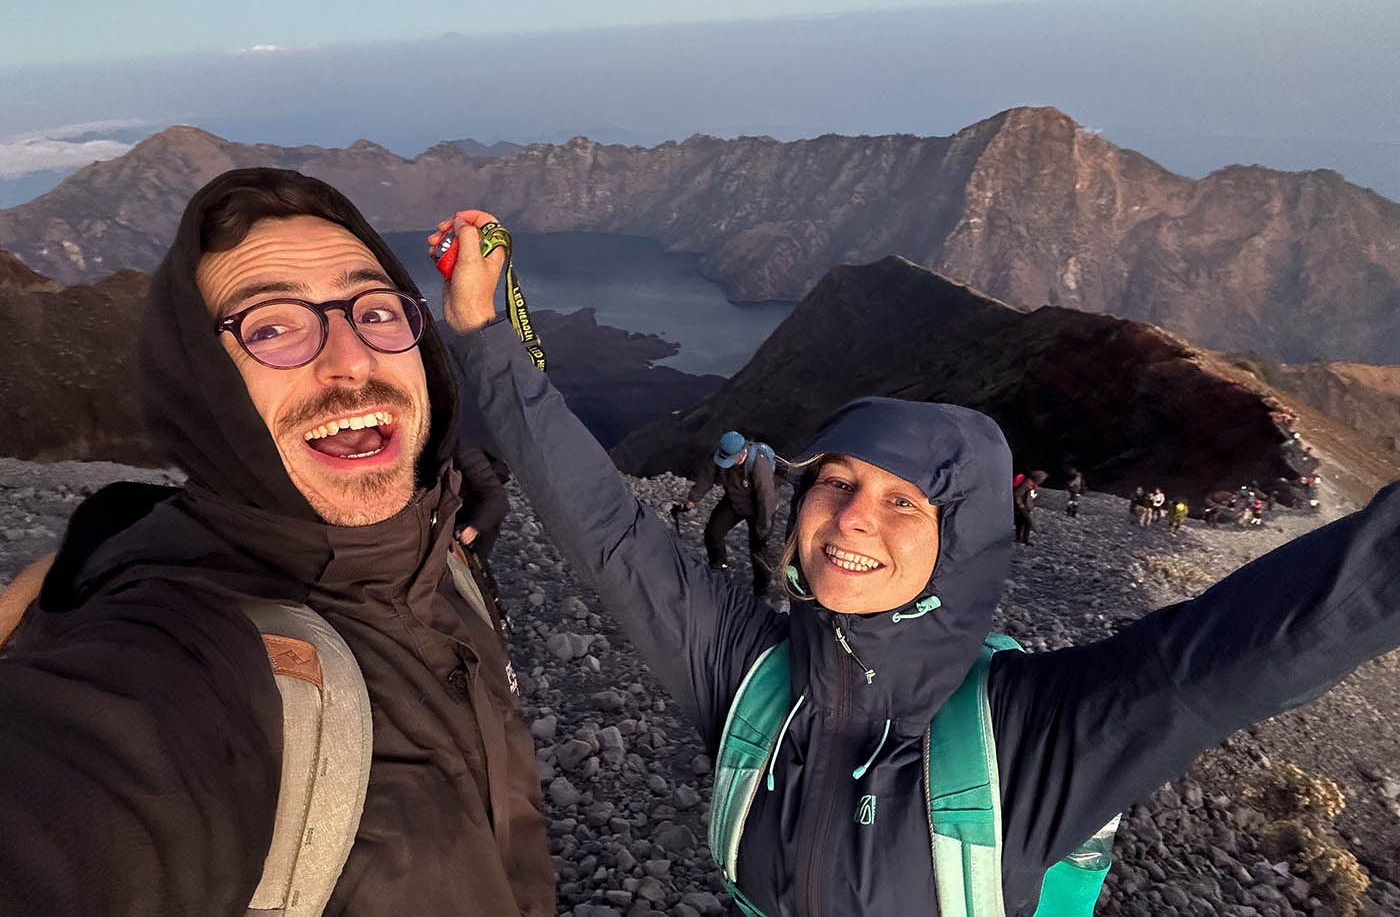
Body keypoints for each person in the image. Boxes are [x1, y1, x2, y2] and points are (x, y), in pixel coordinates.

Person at [438, 204, 1400, 917]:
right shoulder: (748, 677)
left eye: (905, 500)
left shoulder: (1039, 734)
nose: (853, 520)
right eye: (837, 482)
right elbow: (604, 527)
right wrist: (483, 335)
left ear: (963, 542)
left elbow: (1278, 634)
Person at [0, 171, 553, 917]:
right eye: (272, 327)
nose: (353, 360)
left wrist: (480, 327)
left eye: (377, 309)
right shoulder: (184, 658)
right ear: (204, 391)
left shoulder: (438, 545)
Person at [680, 430, 780, 596]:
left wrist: (764, 526)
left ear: (742, 454)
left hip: (759, 508)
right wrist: (692, 499)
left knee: (758, 549)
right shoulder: (720, 453)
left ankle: (762, 589)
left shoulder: (758, 464)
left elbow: (766, 497)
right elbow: (707, 477)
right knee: (713, 532)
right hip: (734, 500)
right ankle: (719, 566)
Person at [1012, 469, 1046, 544]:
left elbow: (1029, 496)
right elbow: (1017, 495)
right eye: (1042, 479)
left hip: (1024, 507)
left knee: (1020, 523)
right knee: (1028, 522)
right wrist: (1021, 506)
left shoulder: (1032, 484)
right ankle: (1024, 539)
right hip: (1022, 508)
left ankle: (1019, 539)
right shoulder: (1027, 483)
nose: (1042, 481)